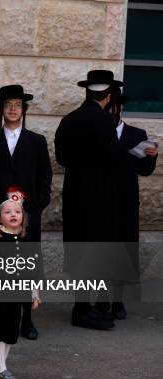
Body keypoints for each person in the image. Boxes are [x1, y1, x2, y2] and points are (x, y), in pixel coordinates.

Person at [0, 85, 52, 340]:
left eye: (17, 105)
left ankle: (27, 319)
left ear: (24, 110)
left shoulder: (36, 141)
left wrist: (32, 205)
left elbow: (45, 178)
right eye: (8, 105)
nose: (12, 109)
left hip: (27, 215)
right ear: (1, 109)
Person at [54, 70, 124, 330]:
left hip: (75, 194)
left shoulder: (69, 119)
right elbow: (112, 157)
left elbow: (61, 157)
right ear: (107, 96)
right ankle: (84, 310)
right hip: (99, 198)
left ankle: (82, 306)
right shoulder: (103, 121)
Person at [95, 88, 158, 319]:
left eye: (115, 106)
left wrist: (151, 156)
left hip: (125, 202)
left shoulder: (136, 133)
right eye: (108, 105)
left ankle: (118, 300)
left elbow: (145, 170)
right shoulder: (98, 132)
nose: (111, 110)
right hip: (101, 201)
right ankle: (101, 300)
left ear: (120, 107)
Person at [0, 189, 42, 379]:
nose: (13, 215)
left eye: (17, 212)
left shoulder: (28, 240)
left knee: (11, 329)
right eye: (7, 212)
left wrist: (34, 293)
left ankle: (0, 365)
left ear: (23, 218)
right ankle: (1, 369)